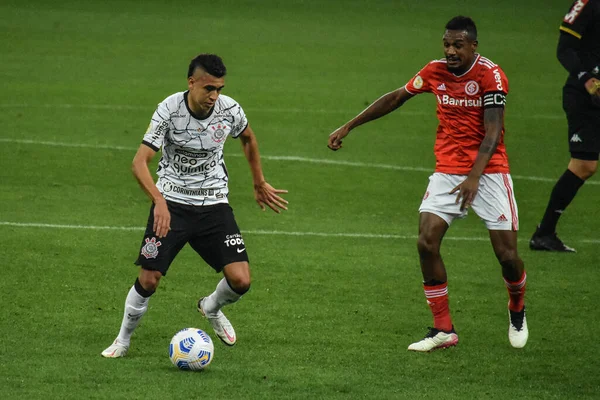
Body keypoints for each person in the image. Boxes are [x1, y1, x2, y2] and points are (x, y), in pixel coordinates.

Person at [327, 16, 528, 351]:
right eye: (447, 44)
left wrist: (475, 177)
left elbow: (493, 132)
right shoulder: (435, 71)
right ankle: (442, 329)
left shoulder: (491, 75)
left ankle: (517, 306)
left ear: (473, 46)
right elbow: (395, 97)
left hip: (489, 171)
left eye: (458, 45)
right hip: (448, 169)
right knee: (426, 241)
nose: (450, 51)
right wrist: (349, 125)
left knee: (507, 255)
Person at [101, 54, 288, 358]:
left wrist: (258, 182)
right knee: (149, 278)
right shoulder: (169, 109)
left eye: (220, 89)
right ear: (191, 83)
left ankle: (210, 307)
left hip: (214, 202)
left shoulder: (229, 110)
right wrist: (159, 201)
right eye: (209, 89)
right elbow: (139, 162)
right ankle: (122, 341)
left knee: (241, 281)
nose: (214, 96)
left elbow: (249, 138)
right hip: (172, 201)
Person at [530, 0, 600, 252]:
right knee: (584, 165)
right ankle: (544, 233)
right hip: (586, 97)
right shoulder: (587, 4)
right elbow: (565, 49)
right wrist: (586, 78)